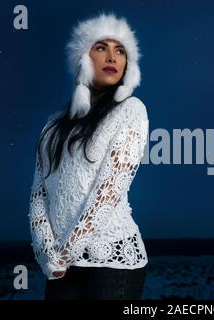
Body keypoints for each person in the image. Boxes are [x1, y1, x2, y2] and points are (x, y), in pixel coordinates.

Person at [27, 12, 149, 300]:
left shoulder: (131, 110)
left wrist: (66, 252)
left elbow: (108, 192)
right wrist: (47, 253)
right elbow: (38, 193)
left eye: (120, 50)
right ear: (83, 59)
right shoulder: (54, 123)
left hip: (111, 264)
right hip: (60, 265)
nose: (112, 57)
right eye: (101, 47)